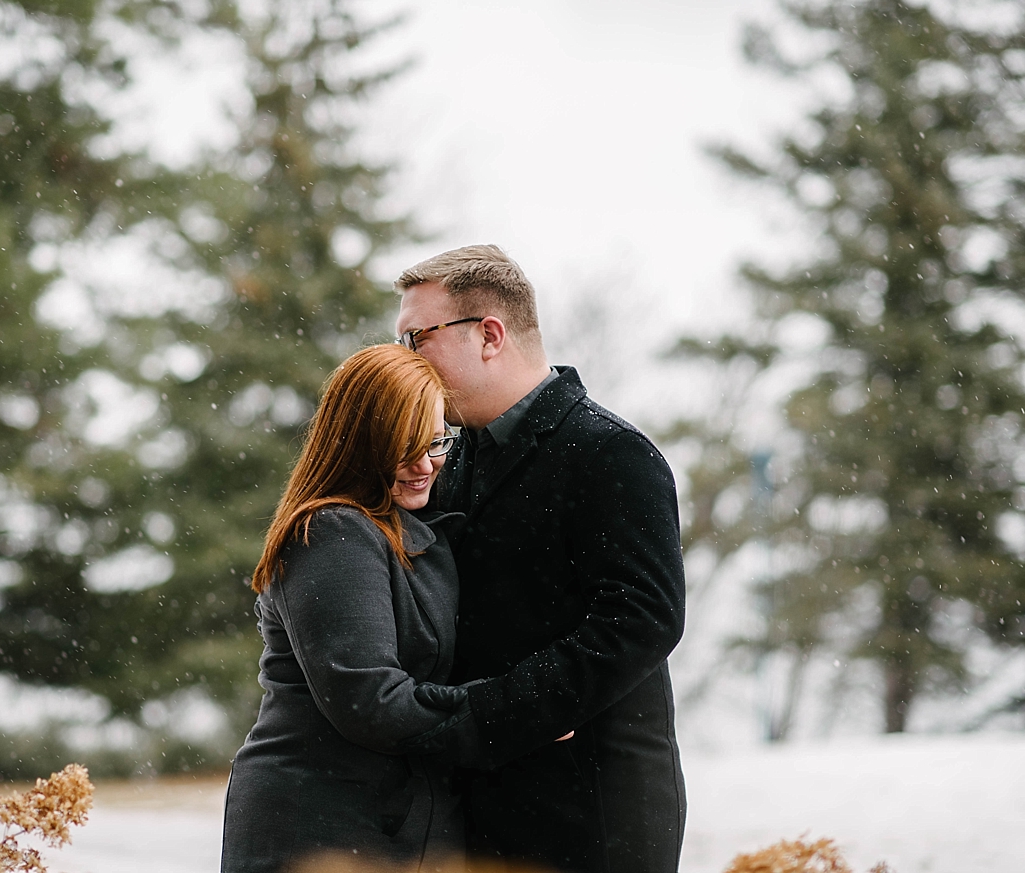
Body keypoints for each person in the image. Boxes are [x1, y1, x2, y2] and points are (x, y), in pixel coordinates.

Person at [394, 245, 687, 873]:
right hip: (481, 811)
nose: (404, 358)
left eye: (417, 337)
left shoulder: (611, 453)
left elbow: (642, 621)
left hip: (592, 814)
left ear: (490, 335)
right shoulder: (451, 458)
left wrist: (492, 715)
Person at [220, 344, 467, 873]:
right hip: (317, 823)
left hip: (376, 825)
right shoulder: (331, 531)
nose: (424, 466)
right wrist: (510, 709)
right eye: (403, 448)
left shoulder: (404, 526)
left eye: (436, 442)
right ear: (359, 444)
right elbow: (371, 702)